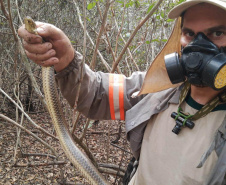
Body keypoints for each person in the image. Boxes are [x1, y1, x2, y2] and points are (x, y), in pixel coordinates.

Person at [18, 0, 226, 184]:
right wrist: (66, 61)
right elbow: (96, 93)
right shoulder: (155, 88)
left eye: (217, 33)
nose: (197, 47)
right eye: (189, 33)